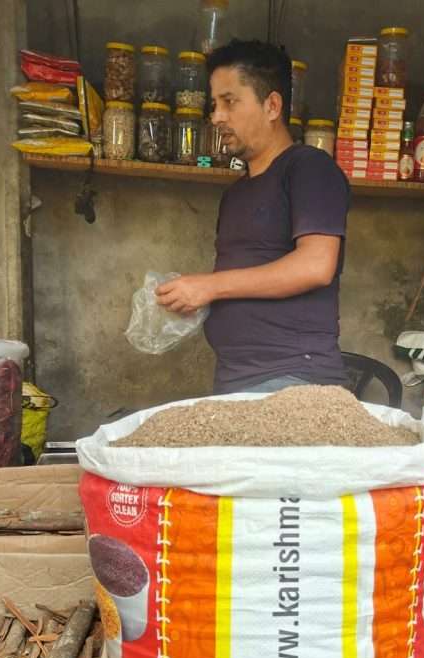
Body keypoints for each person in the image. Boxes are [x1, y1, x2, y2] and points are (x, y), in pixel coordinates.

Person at [155, 39, 350, 395]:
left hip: (293, 378)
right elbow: (244, 278)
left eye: (229, 102)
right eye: (215, 105)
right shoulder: (236, 193)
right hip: (235, 378)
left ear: (272, 105)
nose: (216, 117)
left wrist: (209, 286)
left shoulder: (309, 168)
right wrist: (192, 298)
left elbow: (316, 265)